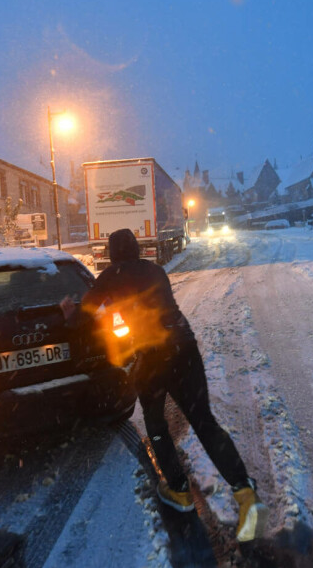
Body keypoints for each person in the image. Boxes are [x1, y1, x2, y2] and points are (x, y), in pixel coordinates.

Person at [68, 228, 267, 542]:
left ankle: (179, 491)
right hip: (184, 346)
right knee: (204, 422)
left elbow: (85, 314)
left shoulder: (109, 277)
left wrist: (69, 311)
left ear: (111, 253)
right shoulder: (156, 270)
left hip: (151, 356)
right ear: (136, 249)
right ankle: (245, 493)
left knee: (157, 423)